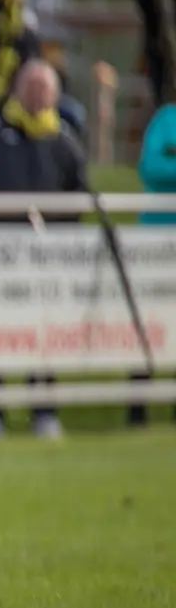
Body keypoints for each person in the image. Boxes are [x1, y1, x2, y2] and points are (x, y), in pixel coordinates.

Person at [0, 58, 84, 441]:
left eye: (44, 89)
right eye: (31, 87)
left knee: (41, 336)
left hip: (44, 263)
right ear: (17, 90)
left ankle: (44, 411)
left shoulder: (63, 140)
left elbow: (79, 195)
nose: (37, 95)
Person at [133, 99, 176, 426]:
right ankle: (137, 408)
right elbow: (151, 167)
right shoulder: (166, 120)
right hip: (155, 244)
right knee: (144, 326)